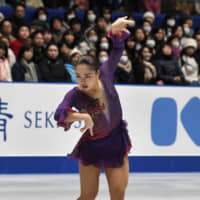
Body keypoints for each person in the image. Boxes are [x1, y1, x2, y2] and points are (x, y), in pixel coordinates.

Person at [54, 16, 133, 200]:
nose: (82, 81)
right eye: (78, 76)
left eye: (87, 76)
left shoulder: (105, 75)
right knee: (88, 195)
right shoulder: (75, 93)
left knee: (118, 194)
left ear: (97, 73)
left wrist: (114, 32)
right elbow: (59, 113)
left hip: (115, 143)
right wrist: (82, 117)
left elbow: (117, 50)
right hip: (91, 147)